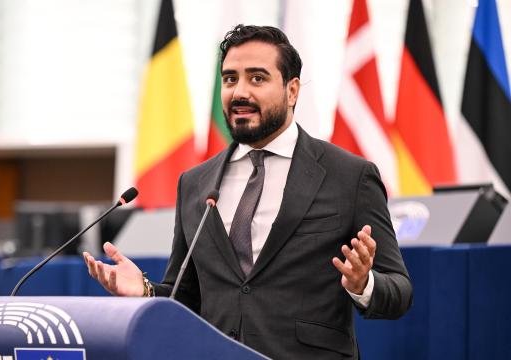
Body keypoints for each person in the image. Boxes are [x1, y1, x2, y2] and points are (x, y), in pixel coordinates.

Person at [83, 25, 412, 359]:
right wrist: (146, 290)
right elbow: (187, 294)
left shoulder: (350, 176)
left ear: (292, 90)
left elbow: (399, 291)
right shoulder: (195, 183)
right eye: (230, 79)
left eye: (257, 78)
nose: (239, 91)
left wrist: (363, 284)